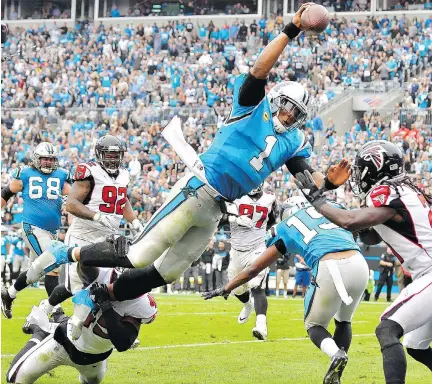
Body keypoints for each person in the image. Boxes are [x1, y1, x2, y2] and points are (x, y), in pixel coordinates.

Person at [27, 4, 343, 307]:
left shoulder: (292, 142)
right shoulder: (252, 105)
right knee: (138, 255)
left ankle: (103, 296)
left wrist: (329, 183)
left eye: (295, 114)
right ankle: (66, 253)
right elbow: (260, 69)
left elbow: (310, 181)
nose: (288, 117)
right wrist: (291, 30)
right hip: (198, 188)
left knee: (167, 272)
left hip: (217, 207)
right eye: (286, 107)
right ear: (275, 100)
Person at [294, 140, 432, 384]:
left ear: (375, 169)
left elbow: (350, 221)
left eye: (361, 170)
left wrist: (317, 197)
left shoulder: (388, 193)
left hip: (430, 273)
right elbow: (370, 233)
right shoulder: (405, 190)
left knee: (387, 329)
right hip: (425, 275)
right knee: (416, 346)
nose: (357, 176)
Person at [203, 195, 369, 384]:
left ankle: (336, 354)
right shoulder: (331, 206)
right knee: (344, 321)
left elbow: (253, 269)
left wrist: (227, 287)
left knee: (314, 325)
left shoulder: (287, 226)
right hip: (359, 262)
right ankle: (337, 375)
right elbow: (354, 226)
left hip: (329, 265)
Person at [28, 135, 143, 331]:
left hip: (107, 238)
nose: (113, 159)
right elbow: (71, 204)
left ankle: (99, 327)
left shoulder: (123, 174)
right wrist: (96, 216)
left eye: (116, 155)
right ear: (100, 155)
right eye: (109, 155)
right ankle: (45, 314)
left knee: (106, 283)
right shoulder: (89, 172)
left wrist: (135, 222)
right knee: (75, 286)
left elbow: (122, 200)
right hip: (83, 236)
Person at [6, 268, 157, 384]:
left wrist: (105, 305)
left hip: (95, 360)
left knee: (92, 382)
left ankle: (50, 326)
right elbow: (66, 288)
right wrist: (49, 306)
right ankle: (39, 332)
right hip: (63, 343)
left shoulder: (141, 305)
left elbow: (123, 343)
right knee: (15, 378)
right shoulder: (100, 275)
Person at [1, 142, 71, 319]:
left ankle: (8, 294)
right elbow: (7, 193)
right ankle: (56, 311)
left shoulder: (62, 175)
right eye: (44, 159)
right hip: (32, 227)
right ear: (36, 159)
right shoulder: (24, 173)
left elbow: (73, 197)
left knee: (35, 272)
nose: (47, 162)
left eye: (51, 159)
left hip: (52, 231)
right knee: (53, 262)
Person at [226, 184, 277, 340]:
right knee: (237, 289)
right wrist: (234, 219)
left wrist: (262, 232)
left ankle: (261, 325)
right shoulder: (235, 194)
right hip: (237, 250)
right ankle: (248, 305)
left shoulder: (270, 198)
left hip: (258, 248)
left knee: (256, 285)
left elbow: (273, 220)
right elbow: (219, 215)